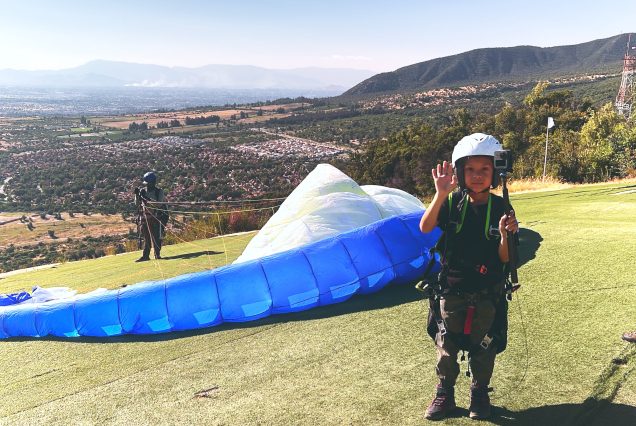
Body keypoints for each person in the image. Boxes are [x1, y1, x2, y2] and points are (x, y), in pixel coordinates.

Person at [419, 133, 519, 420]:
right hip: (452, 290)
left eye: (484, 169)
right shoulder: (453, 203)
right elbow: (425, 227)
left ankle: (479, 392)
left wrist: (505, 235)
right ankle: (445, 393)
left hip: (488, 292)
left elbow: (505, 257)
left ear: (495, 173)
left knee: (484, 345)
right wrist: (440, 194)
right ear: (460, 172)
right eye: (470, 169)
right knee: (446, 344)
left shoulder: (502, 208)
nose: (477, 175)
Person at [134, 171, 167, 262]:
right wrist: (137, 195)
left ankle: (157, 254)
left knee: (156, 238)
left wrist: (147, 199)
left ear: (153, 183)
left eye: (148, 183)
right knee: (147, 238)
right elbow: (137, 204)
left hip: (156, 218)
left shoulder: (159, 192)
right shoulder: (143, 191)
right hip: (145, 219)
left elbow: (159, 204)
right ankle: (145, 256)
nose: (147, 185)